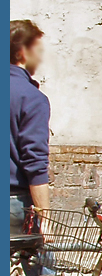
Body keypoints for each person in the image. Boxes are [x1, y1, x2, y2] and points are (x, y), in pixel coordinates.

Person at [10, 19, 50, 240]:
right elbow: (34, 162)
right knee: (44, 271)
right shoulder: (31, 98)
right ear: (24, 52)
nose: (41, 58)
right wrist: (45, 219)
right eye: (38, 50)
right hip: (14, 203)